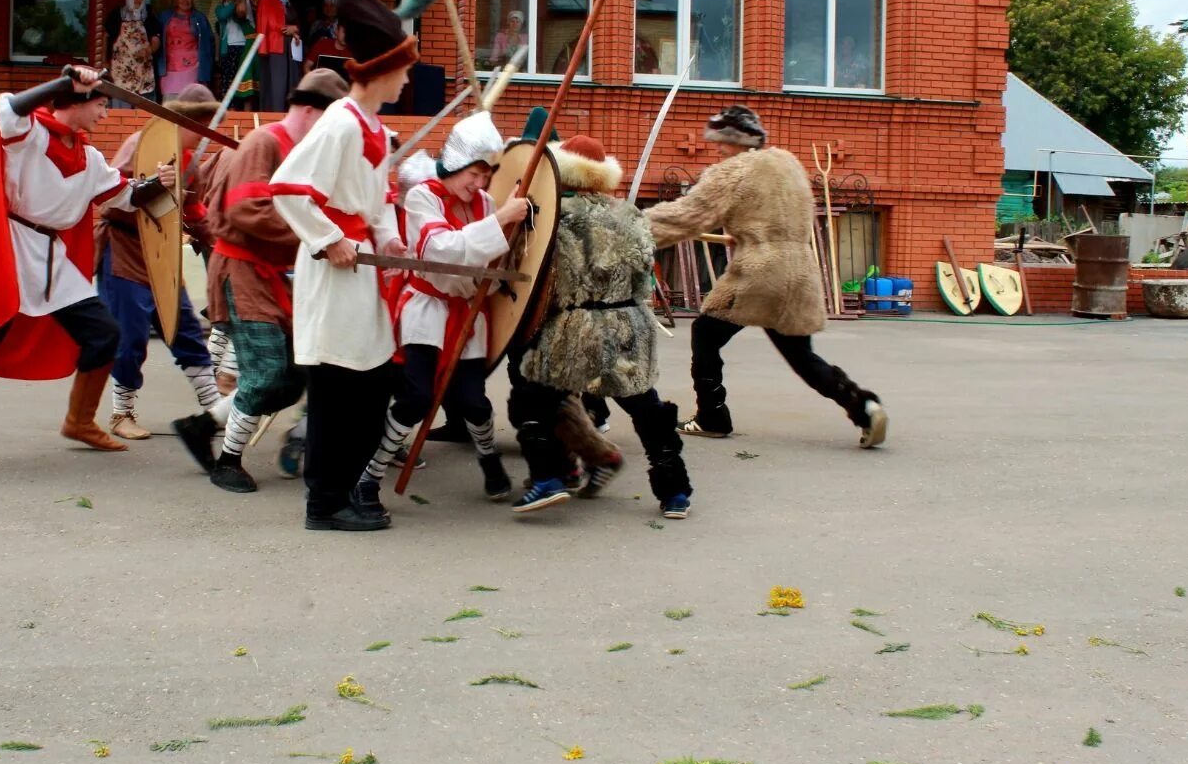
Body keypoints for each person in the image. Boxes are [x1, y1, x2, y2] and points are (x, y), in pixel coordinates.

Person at [0, 66, 176, 477]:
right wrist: (65, 81)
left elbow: (126, 197)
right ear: (74, 102)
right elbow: (9, 107)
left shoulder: (89, 156)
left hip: (52, 261)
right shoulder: (27, 136)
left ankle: (79, 422)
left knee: (103, 334)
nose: (105, 113)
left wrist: (160, 182)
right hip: (10, 254)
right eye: (100, 102)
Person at [644, 105, 888, 449]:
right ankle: (864, 406)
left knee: (705, 332)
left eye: (722, 142)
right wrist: (746, 234)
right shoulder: (787, 164)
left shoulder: (733, 171)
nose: (717, 149)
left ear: (738, 142)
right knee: (801, 356)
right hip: (800, 270)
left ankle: (712, 416)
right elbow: (776, 218)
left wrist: (635, 229)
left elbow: (687, 215)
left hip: (760, 271)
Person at [270, 0, 415, 531]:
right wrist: (329, 238)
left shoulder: (374, 127)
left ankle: (347, 490)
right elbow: (287, 188)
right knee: (337, 388)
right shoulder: (341, 121)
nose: (407, 81)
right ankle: (324, 503)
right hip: (335, 274)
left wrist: (389, 236)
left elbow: (373, 200)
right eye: (403, 70)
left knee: (370, 385)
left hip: (365, 270)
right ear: (384, 70)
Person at [351, 112, 531, 519]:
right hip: (427, 308)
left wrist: (511, 221)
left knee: (475, 403)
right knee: (415, 398)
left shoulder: (483, 201)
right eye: (475, 173)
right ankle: (368, 478)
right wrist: (501, 220)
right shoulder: (423, 197)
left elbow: (493, 251)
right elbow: (440, 250)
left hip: (468, 312)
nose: (480, 184)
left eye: (486, 175)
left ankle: (489, 462)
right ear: (455, 164)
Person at [512, 135, 693, 519]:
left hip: (574, 324)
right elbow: (645, 276)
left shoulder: (553, 215)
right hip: (629, 321)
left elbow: (539, 276)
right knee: (646, 406)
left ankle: (548, 479)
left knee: (533, 398)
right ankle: (675, 492)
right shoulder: (631, 215)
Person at [201, 68, 349, 493]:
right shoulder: (264, 142)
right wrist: (316, 236)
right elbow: (245, 211)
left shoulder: (305, 153)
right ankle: (227, 460)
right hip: (242, 271)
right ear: (306, 109)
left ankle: (202, 425)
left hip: (275, 277)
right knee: (266, 374)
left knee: (291, 378)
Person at [95, 84, 227, 445]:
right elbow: (108, 198)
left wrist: (216, 240)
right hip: (125, 251)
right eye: (200, 122)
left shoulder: (191, 161)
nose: (203, 131)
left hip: (164, 254)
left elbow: (196, 213)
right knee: (131, 335)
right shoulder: (142, 144)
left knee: (185, 327)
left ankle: (215, 411)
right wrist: (153, 184)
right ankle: (122, 412)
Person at [155, 0, 216, 98]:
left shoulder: (200, 18)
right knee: (170, 106)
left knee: (192, 105)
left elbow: (209, 45)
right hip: (169, 70)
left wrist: (205, 67)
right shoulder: (164, 17)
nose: (185, 1)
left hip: (194, 70)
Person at [256, 0, 303, 112]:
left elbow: (297, 25)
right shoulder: (266, 0)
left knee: (291, 84)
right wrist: (286, 28)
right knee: (277, 86)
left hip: (290, 48)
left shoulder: (289, 2)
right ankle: (274, 117)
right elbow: (265, 23)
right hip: (275, 47)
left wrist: (295, 30)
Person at [103, 0, 160, 98]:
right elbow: (105, 37)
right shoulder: (117, 14)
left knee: (144, 108)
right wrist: (105, 61)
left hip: (143, 69)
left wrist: (148, 50)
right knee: (121, 107)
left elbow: (156, 39)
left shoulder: (149, 15)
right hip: (121, 69)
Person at [214, 0, 258, 106]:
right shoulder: (220, 8)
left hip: (245, 47)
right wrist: (237, 2)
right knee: (229, 82)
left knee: (244, 82)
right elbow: (223, 15)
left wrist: (244, 1)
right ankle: (229, 112)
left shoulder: (245, 5)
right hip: (229, 48)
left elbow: (244, 16)